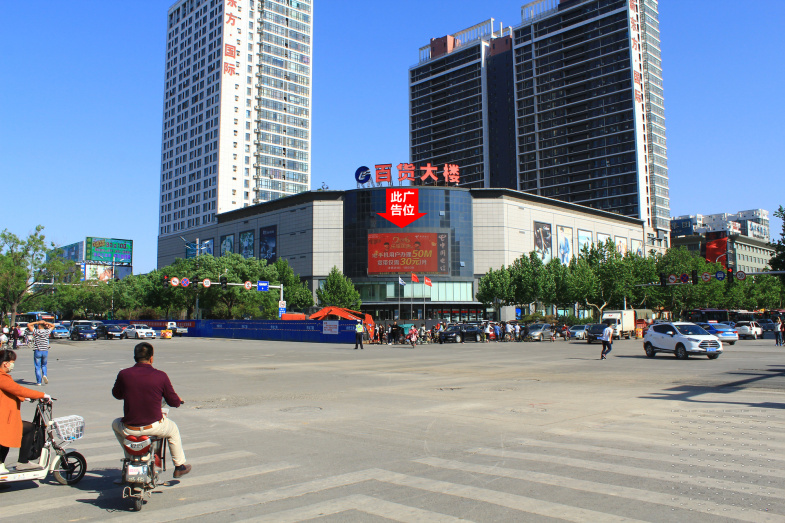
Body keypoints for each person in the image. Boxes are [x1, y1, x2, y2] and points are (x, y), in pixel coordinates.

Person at [112, 342, 191, 478]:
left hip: (129, 428)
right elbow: (173, 401)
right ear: (151, 358)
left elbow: (117, 394)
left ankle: (129, 455)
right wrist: (178, 401)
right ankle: (179, 466)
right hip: (154, 428)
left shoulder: (124, 374)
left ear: (135, 357)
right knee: (173, 429)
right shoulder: (160, 376)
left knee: (115, 423)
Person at [0, 349, 50, 473]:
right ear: (5, 363)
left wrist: (24, 398)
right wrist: (42, 395)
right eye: (12, 362)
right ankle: (22, 462)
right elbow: (18, 389)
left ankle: (7, 464)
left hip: (4, 417)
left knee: (6, 439)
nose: (12, 365)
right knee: (28, 428)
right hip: (3, 418)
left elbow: (10, 391)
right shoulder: (2, 377)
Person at [28, 320, 55, 386]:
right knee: (44, 365)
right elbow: (53, 325)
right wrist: (46, 322)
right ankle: (44, 375)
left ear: (39, 326)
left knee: (37, 366)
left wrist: (37, 322)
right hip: (45, 350)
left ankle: (39, 382)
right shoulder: (47, 331)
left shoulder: (36, 331)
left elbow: (29, 325)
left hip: (38, 350)